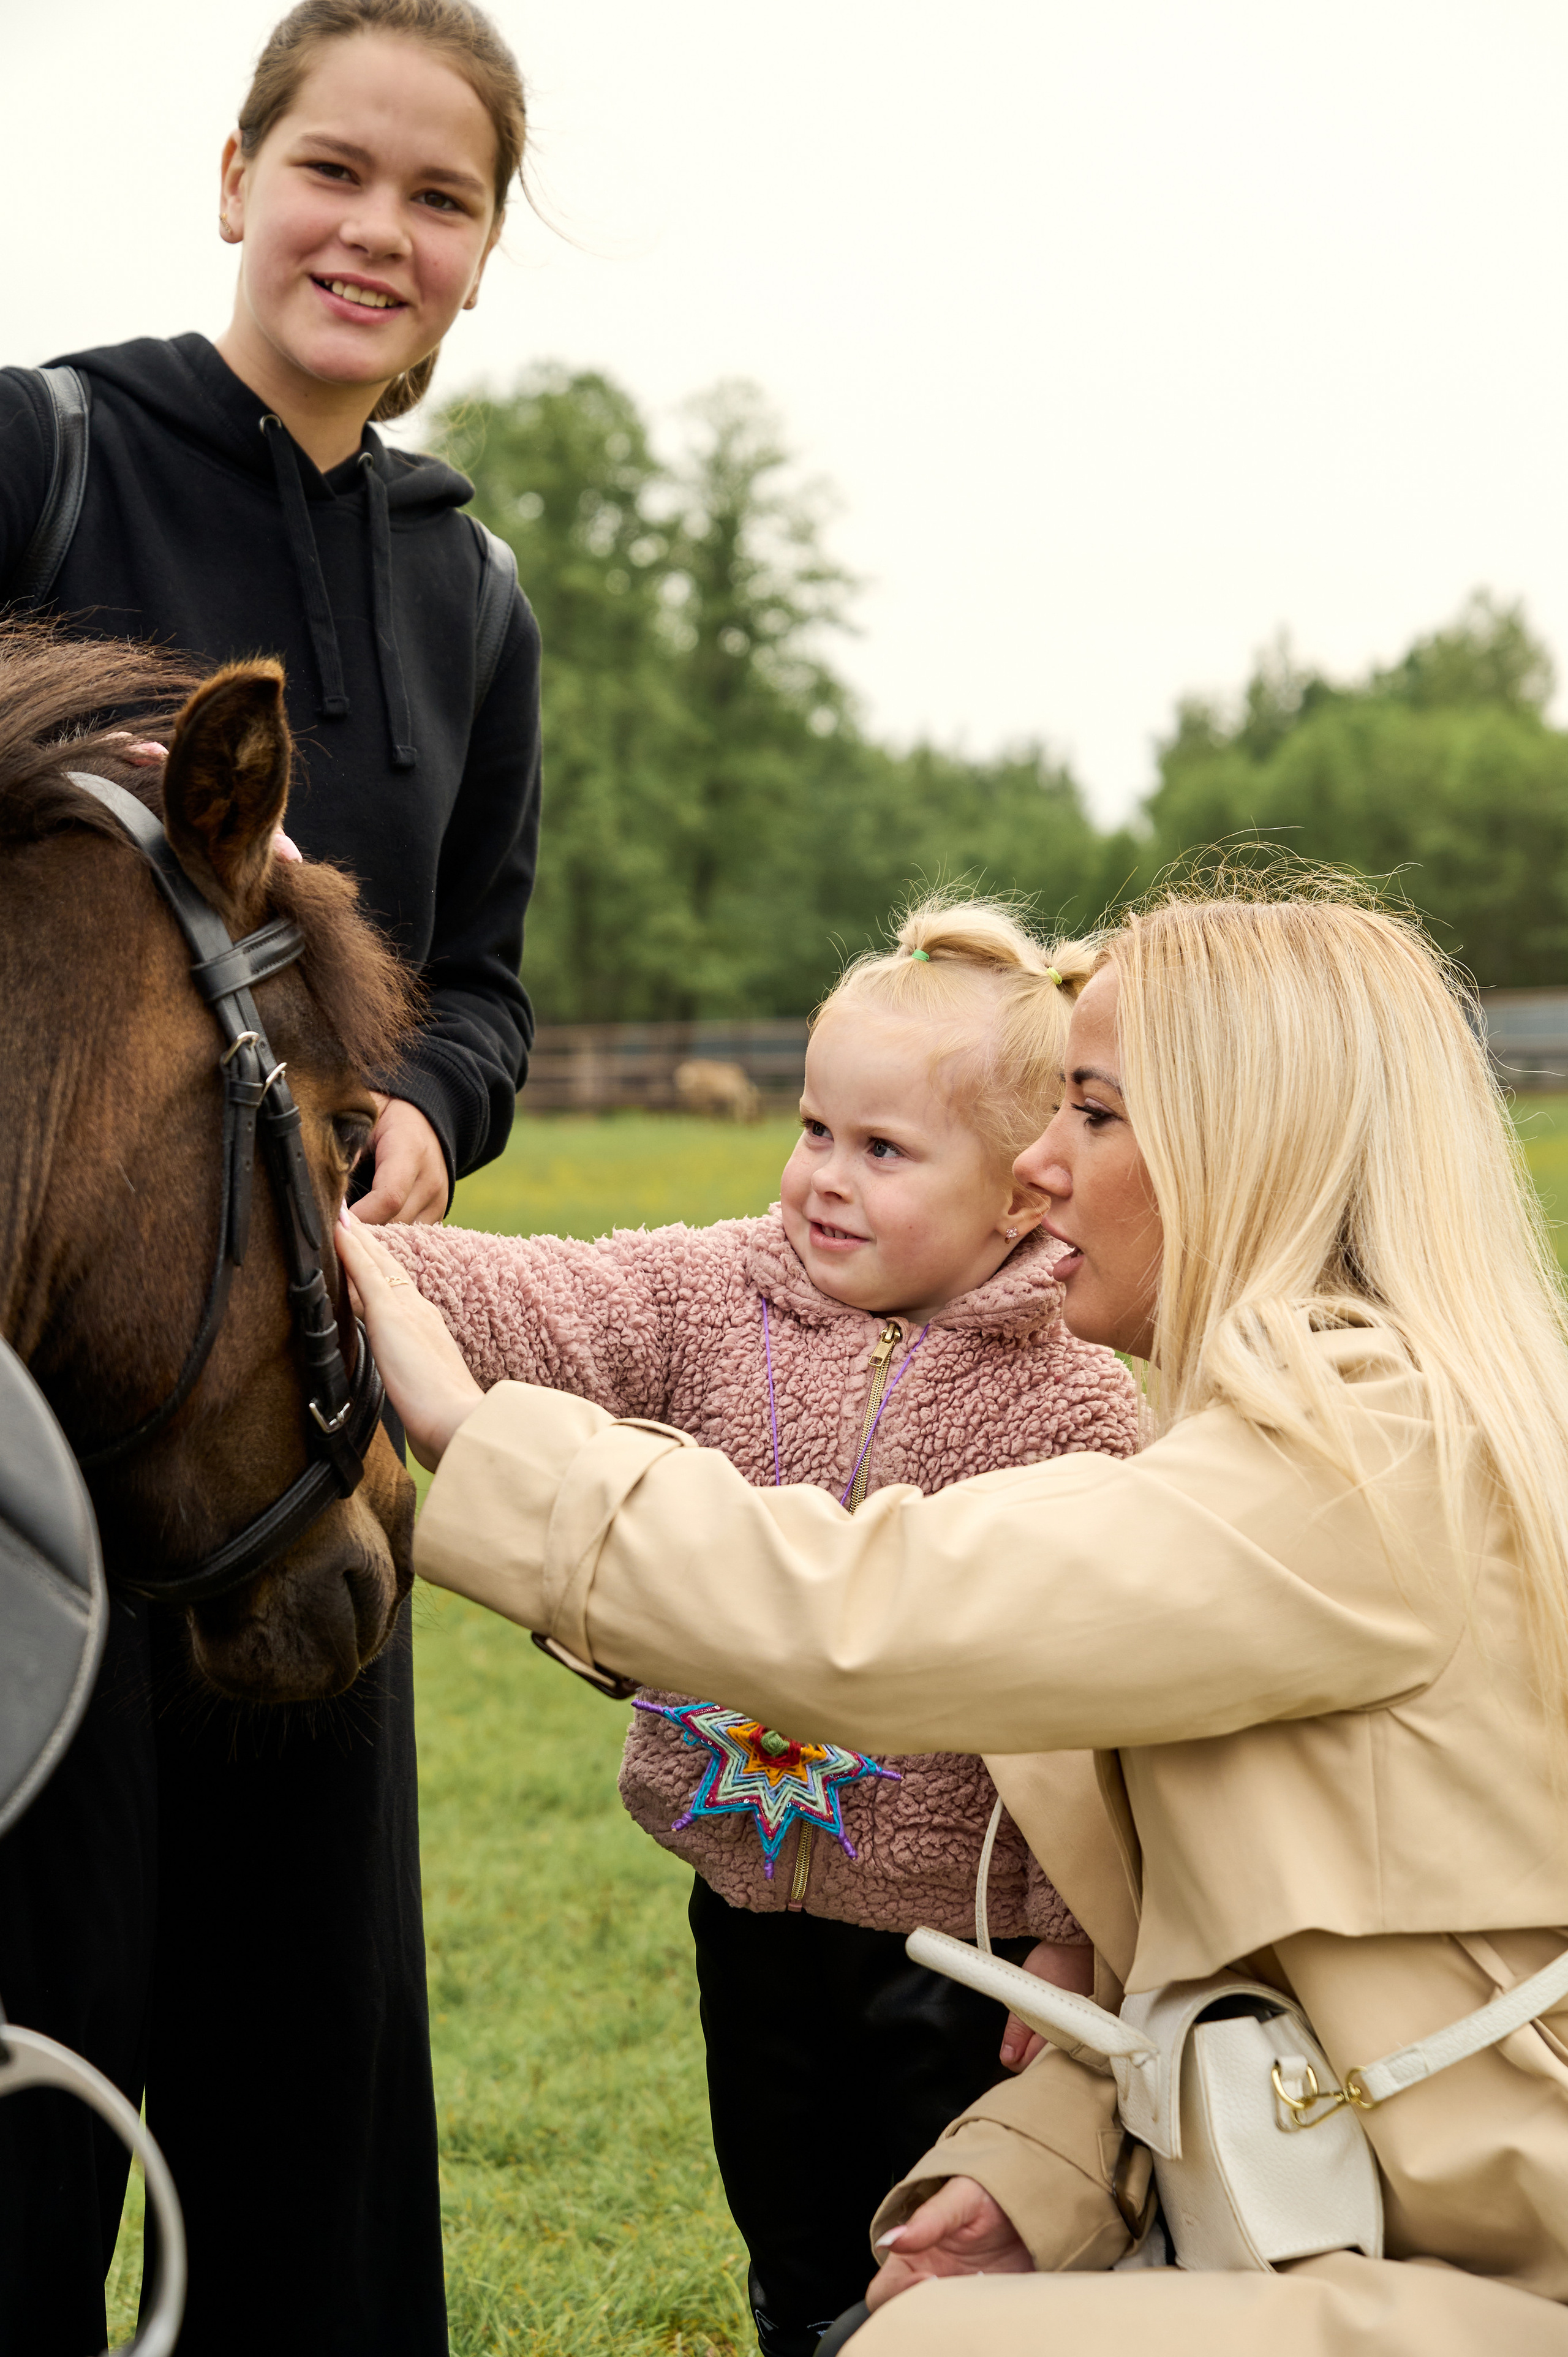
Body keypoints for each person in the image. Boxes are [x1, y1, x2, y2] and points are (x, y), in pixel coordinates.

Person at [342, 878, 1568, 2354]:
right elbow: (1247, 1971)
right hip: (1367, 2218)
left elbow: (882, 1607)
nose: (1037, 1166)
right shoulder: (1297, 1431)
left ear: (1247, 1143)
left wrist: (474, 1435)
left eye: (1093, 1115)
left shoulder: (1354, 1466)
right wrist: (1034, 2174)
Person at [0, 5, 540, 2351]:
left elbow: (494, 978)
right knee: (28, 2081)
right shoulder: (44, 454)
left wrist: (435, 1101)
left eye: (441, 198)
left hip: (306, 1411)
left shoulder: (472, 585)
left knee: (309, 2112)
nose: (376, 230)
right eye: (337, 170)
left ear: (484, 256)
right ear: (236, 180)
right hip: (32, 1446)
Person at [371, 897, 1140, 2353]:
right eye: (811, 1131)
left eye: (884, 1150)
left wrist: (1069, 1940)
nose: (822, 1182)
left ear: (1022, 1193)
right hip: (746, 1906)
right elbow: (546, 1297)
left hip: (949, 1956)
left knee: (935, 2240)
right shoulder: (720, 1293)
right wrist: (344, 1246)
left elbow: (1090, 1713)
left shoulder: (1071, 1401)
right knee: (787, 2222)